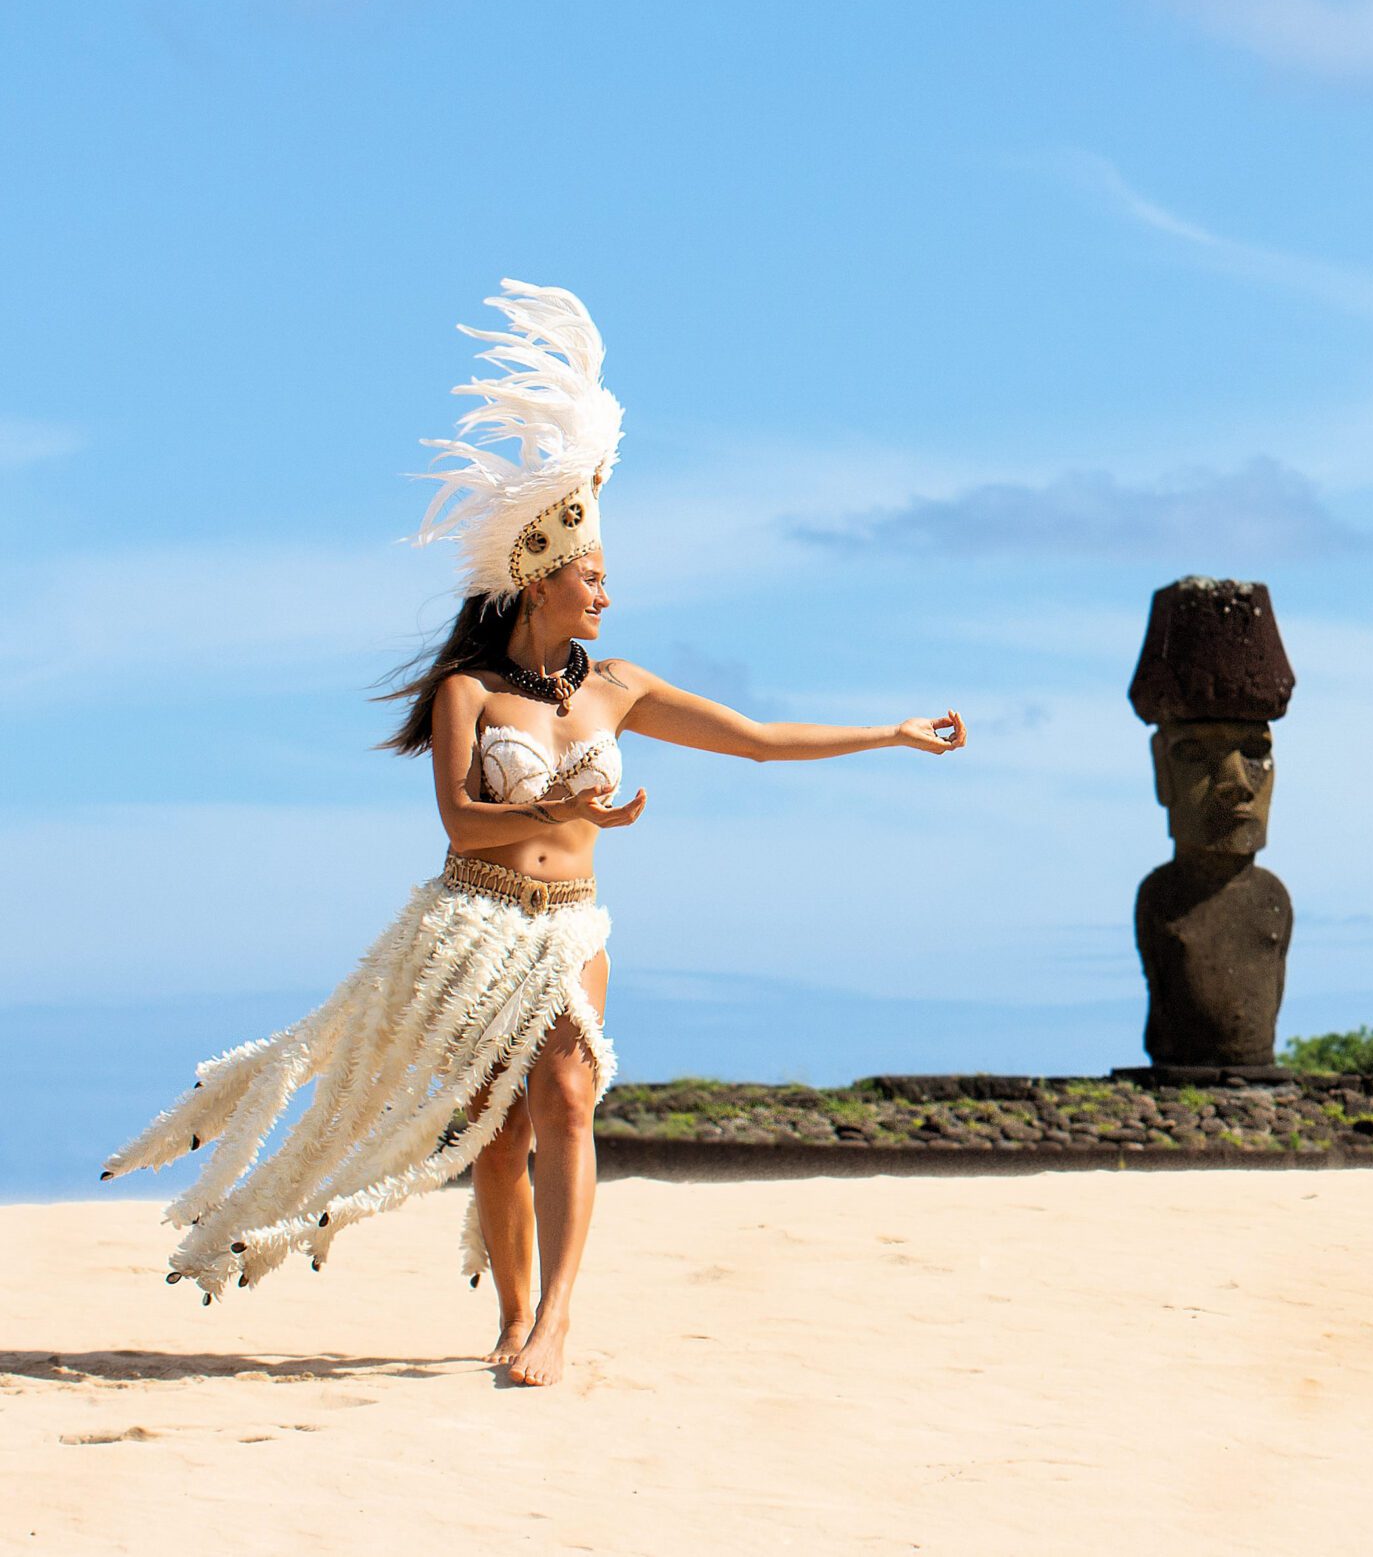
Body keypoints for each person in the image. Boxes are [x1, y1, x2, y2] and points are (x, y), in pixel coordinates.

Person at [101, 280, 966, 1387]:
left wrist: (886, 732)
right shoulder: (471, 689)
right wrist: (560, 807)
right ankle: (512, 1308)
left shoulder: (618, 686)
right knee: (495, 1133)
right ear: (538, 572)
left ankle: (556, 1319)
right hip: (473, 923)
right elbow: (463, 815)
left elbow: (754, 737)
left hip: (569, 924)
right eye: (591, 571)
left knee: (565, 1095)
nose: (605, 588)